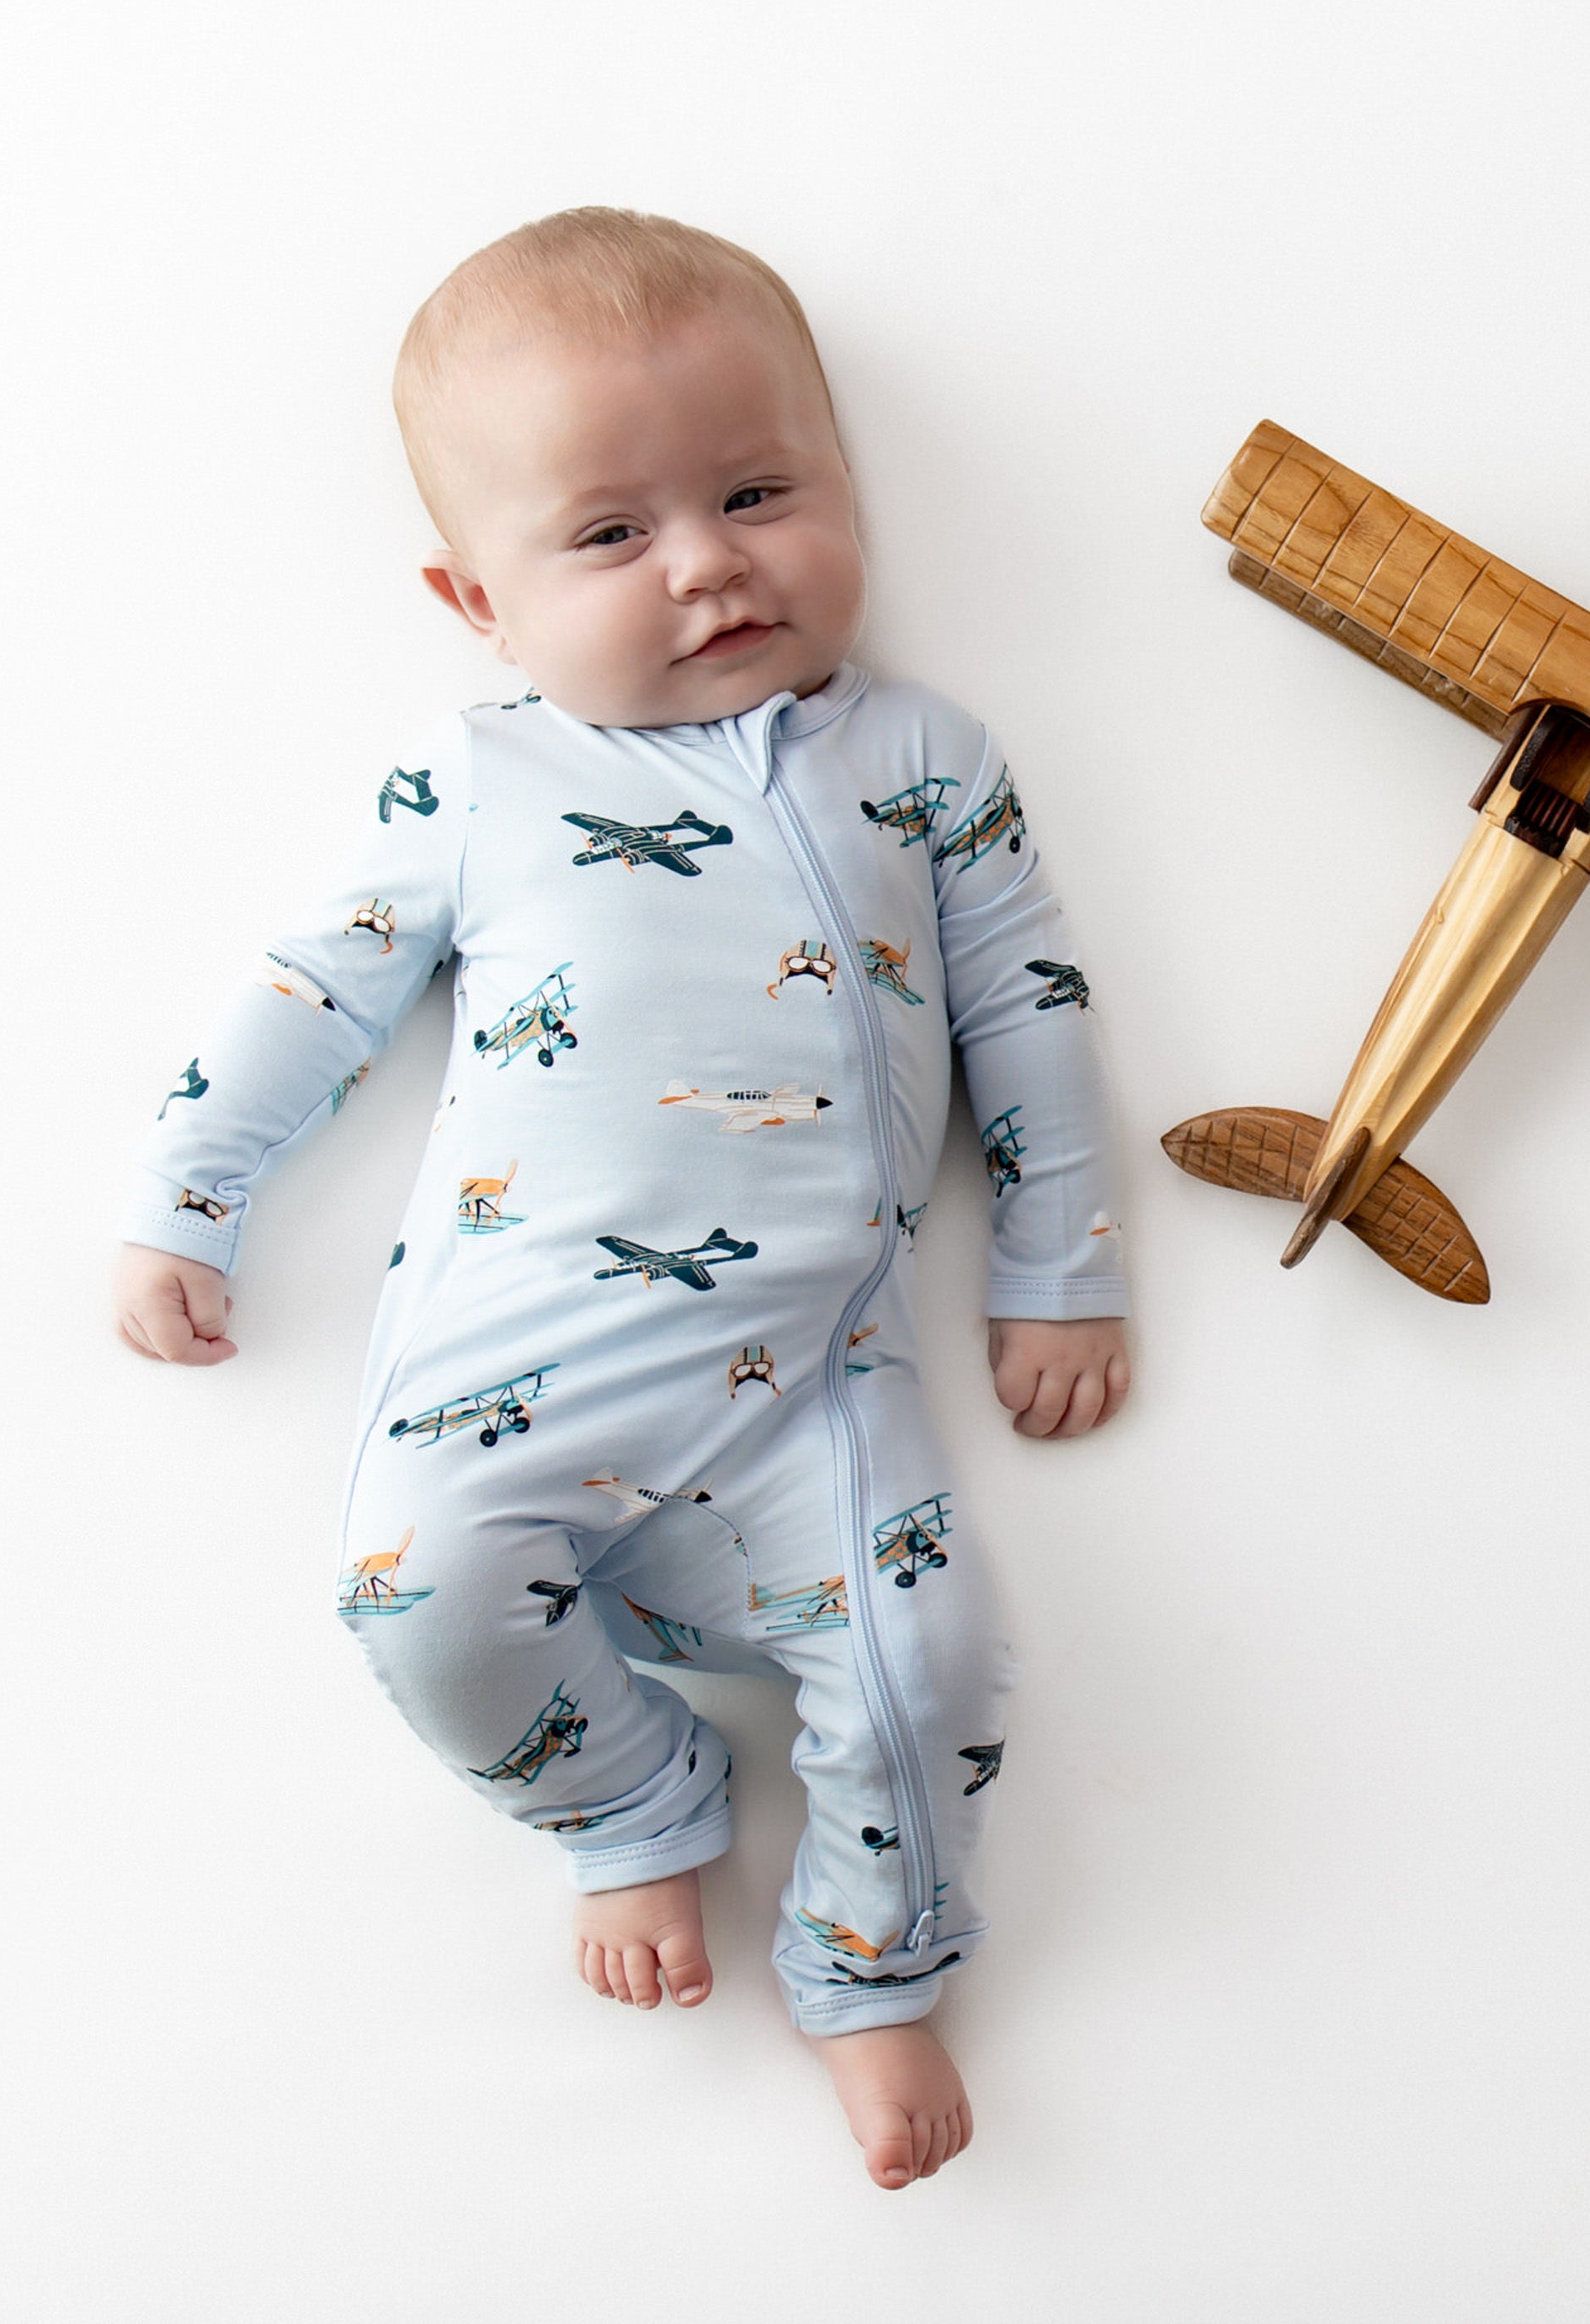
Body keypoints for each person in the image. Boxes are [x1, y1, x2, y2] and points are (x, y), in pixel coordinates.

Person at [112, 209, 1130, 2191]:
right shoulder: (487, 779)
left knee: (932, 1673)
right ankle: (634, 1808)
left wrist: (1060, 1267)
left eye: (760, 491)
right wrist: (192, 1191)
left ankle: (871, 1965)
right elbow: (314, 992)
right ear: (474, 598)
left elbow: (1032, 1010)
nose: (707, 562)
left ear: (844, 484)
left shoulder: (923, 756)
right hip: (523, 1360)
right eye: (608, 534)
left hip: (818, 1387)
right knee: (413, 1600)